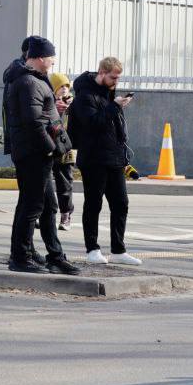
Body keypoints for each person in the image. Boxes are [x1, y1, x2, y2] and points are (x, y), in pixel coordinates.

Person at [4, 36, 80, 275]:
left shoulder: (36, 80)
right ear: (38, 57)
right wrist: (50, 147)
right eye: (50, 57)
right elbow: (34, 122)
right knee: (33, 205)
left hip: (37, 152)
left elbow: (41, 114)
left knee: (47, 206)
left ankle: (54, 256)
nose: (53, 61)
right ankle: (20, 256)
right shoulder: (28, 82)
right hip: (34, 153)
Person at [69, 56, 141, 266]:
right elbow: (92, 123)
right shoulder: (84, 95)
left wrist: (116, 105)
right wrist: (115, 106)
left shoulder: (107, 94)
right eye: (113, 77)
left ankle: (118, 250)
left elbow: (110, 124)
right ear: (101, 73)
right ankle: (92, 249)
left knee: (121, 203)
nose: (116, 81)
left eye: (118, 77)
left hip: (114, 157)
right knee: (94, 204)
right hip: (93, 158)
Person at [49, 73, 77, 230]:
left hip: (67, 149)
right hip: (49, 146)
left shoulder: (73, 103)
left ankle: (66, 214)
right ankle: (44, 214)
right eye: (60, 86)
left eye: (66, 86)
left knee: (65, 182)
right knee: (44, 183)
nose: (64, 89)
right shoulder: (48, 102)